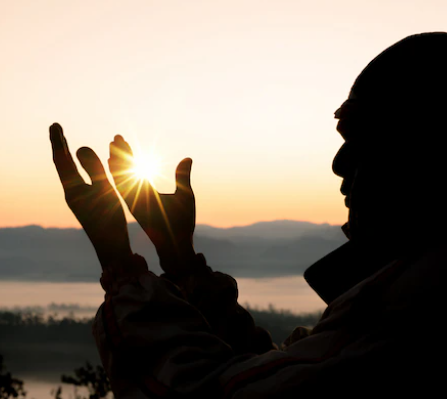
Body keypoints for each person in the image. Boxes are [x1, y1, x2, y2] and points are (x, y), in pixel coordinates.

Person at [50, 32, 447, 398]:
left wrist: (119, 264)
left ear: (428, 149)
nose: (339, 163)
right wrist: (179, 258)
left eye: (367, 138)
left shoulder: (414, 306)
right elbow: (269, 373)